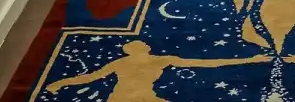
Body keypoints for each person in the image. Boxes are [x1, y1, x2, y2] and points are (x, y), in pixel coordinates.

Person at [46, 40, 271, 102]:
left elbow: (90, 77)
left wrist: (61, 83)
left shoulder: (124, 63)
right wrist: (250, 60)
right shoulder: (159, 60)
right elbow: (204, 64)